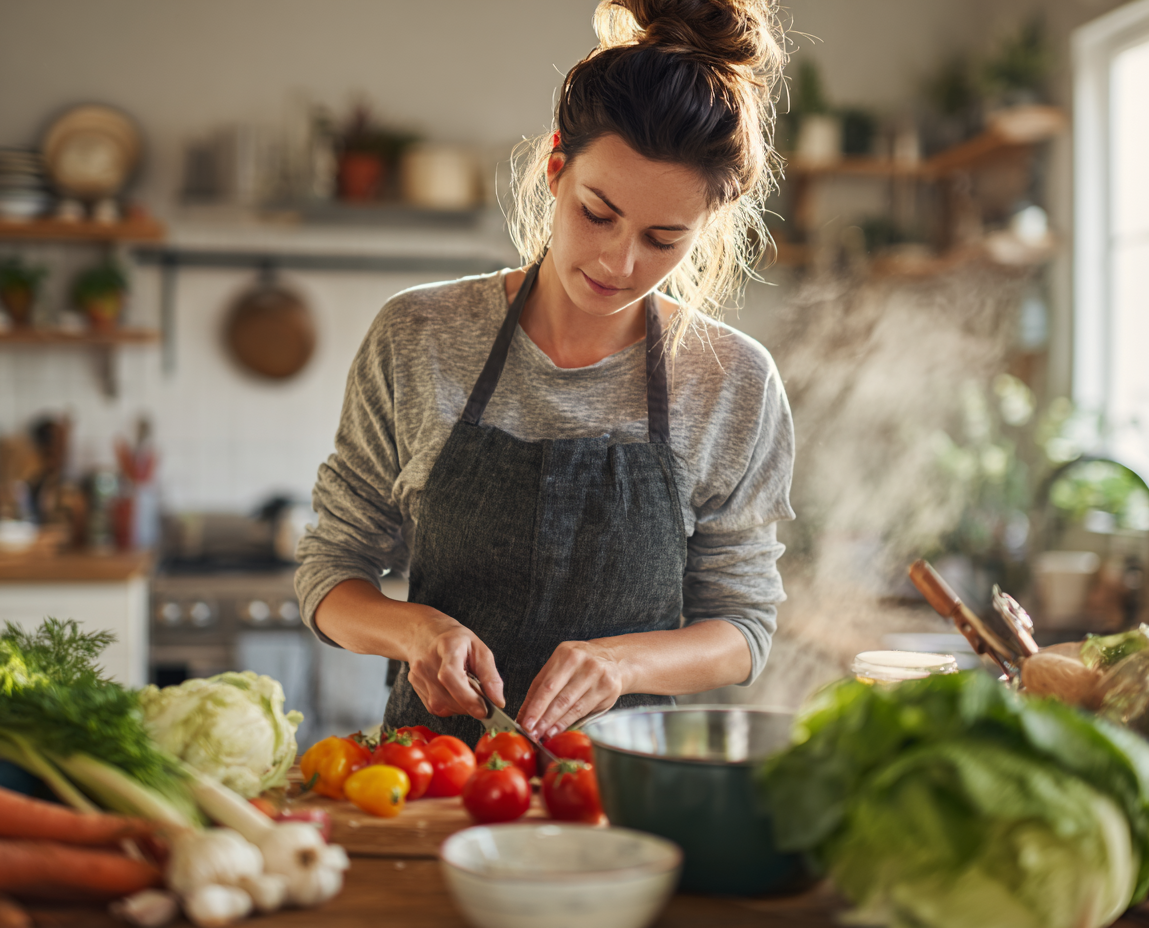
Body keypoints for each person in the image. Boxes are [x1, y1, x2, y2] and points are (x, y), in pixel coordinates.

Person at [295, 0, 795, 746]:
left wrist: (622, 665)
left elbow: (743, 626)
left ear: (707, 228)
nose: (620, 263)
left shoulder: (732, 382)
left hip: (621, 792)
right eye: (599, 214)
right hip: (431, 787)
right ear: (557, 171)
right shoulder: (419, 335)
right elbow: (330, 571)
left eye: (664, 239)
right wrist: (414, 630)